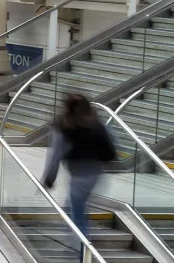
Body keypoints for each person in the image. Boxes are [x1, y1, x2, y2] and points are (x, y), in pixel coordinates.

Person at [44, 94, 115, 244]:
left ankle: (82, 250)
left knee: (77, 217)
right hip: (96, 175)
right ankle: (77, 243)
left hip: (78, 176)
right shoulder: (95, 122)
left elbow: (56, 154)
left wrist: (50, 178)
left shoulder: (65, 126)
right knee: (72, 207)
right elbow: (113, 142)